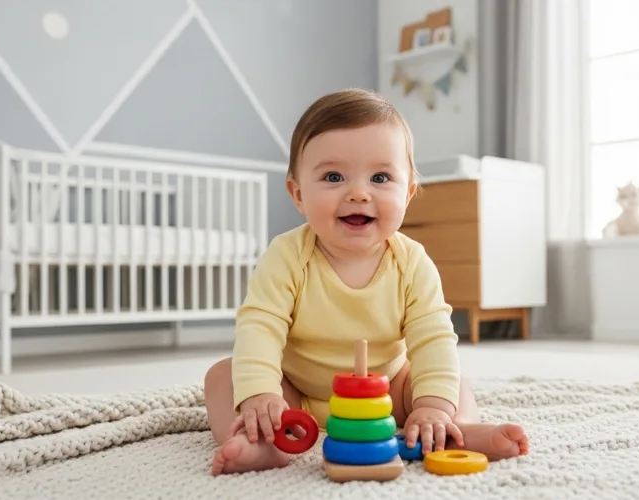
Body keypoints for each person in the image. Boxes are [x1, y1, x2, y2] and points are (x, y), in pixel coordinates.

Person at [204, 88, 529, 475]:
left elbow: (433, 338)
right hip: (299, 396)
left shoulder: (412, 262)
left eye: (380, 177)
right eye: (333, 177)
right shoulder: (287, 255)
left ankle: (452, 431)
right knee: (224, 377)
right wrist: (261, 393)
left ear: (407, 195)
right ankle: (264, 444)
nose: (358, 193)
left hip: (388, 394)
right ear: (298, 194)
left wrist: (431, 405)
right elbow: (261, 325)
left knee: (450, 380)